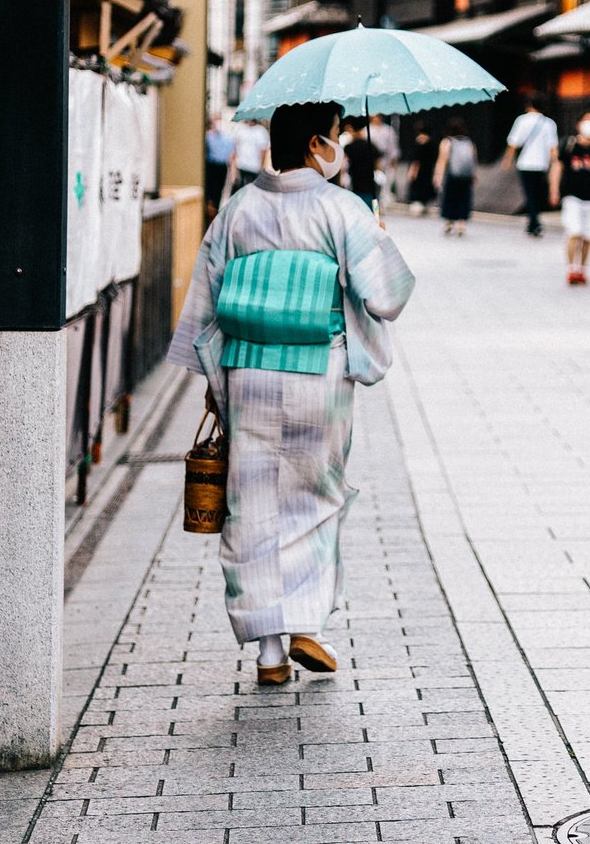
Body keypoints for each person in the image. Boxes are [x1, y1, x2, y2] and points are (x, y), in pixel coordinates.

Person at [168, 99, 415, 686]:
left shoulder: (237, 210)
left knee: (250, 504)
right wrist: (377, 238)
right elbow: (388, 297)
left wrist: (213, 381)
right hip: (318, 374)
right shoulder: (343, 210)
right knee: (315, 495)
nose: (339, 145)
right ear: (314, 146)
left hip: (248, 373)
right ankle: (308, 622)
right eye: (336, 136)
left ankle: (270, 654)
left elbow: (207, 309)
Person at [550, 112, 590, 285]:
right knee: (574, 231)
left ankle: (582, 269)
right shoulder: (568, 145)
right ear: (578, 125)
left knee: (589, 236)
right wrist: (554, 190)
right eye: (586, 121)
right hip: (572, 196)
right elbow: (558, 167)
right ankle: (572, 269)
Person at [502, 95, 560, 237]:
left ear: (529, 105)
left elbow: (513, 143)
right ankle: (533, 223)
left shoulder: (522, 120)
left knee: (529, 193)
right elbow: (553, 147)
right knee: (536, 194)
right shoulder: (549, 123)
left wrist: (507, 160)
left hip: (526, 163)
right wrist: (555, 162)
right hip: (541, 164)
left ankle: (534, 222)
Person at [433, 119, 478, 236]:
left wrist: (438, 176)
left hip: (452, 175)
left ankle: (449, 222)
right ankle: (461, 224)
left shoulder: (447, 142)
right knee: (464, 198)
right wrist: (473, 175)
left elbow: (442, 161)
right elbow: (474, 159)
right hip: (466, 177)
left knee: (450, 198)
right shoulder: (469, 142)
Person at [341, 119, 381, 210]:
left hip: (355, 179)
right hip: (369, 178)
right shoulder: (371, 145)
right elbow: (378, 163)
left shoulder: (349, 147)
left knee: (358, 204)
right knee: (371, 202)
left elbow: (344, 163)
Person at [229, 116, 270, 199]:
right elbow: (235, 149)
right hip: (241, 164)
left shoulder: (261, 131)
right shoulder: (240, 129)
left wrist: (261, 166)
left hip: (254, 167)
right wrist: (233, 169)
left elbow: (263, 151)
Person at [407, 122, 441, 214]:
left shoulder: (418, 142)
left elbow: (416, 159)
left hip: (419, 169)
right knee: (427, 184)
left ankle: (418, 204)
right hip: (428, 169)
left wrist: (413, 171)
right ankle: (426, 203)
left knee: (418, 185)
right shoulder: (432, 142)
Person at [204, 111, 232, 221]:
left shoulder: (228, 137)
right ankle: (209, 210)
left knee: (218, 191)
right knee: (210, 190)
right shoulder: (209, 136)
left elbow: (231, 155)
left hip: (221, 166)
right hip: (211, 165)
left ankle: (214, 210)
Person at [367, 114, 401, 203]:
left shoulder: (388, 130)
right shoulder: (367, 129)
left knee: (386, 181)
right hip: (371, 158)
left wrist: (394, 160)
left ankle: (384, 200)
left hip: (385, 158)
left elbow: (393, 146)